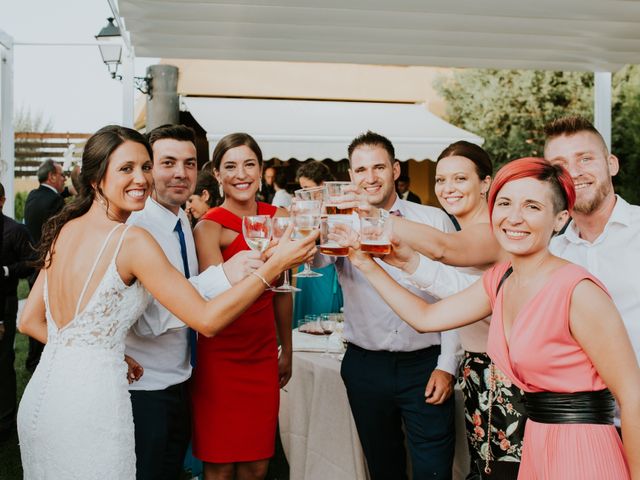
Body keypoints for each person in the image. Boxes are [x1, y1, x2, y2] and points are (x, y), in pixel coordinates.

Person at [16, 125, 317, 479]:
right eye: (128, 169)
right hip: (113, 399)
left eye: (144, 167)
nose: (142, 178)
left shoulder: (67, 227)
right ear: (96, 179)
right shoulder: (134, 239)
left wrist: (99, 351)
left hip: (51, 393)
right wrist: (272, 267)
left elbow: (30, 321)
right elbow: (203, 319)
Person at [345, 157, 640, 479]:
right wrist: (368, 265)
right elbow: (426, 317)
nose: (514, 218)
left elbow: (632, 395)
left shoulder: (577, 290)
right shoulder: (501, 279)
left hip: (583, 452)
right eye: (504, 203)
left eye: (532, 207)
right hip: (536, 446)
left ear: (560, 220)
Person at [317, 131, 462, 479]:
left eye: (379, 167)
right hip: (365, 365)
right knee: (383, 469)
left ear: (395, 169)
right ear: (351, 176)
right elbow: (311, 263)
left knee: (434, 470)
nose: (370, 177)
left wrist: (447, 365)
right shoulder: (338, 222)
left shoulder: (432, 221)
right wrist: (317, 218)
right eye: (361, 169)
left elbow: (456, 298)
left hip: (425, 365)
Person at [126, 125, 266, 480]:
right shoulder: (139, 229)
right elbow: (152, 319)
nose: (180, 173)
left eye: (189, 164)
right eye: (167, 162)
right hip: (146, 387)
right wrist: (226, 275)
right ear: (148, 169)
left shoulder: (181, 222)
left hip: (181, 378)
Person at [392, 142, 524, 477]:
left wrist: (373, 218)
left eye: (460, 179)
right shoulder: (466, 230)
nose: (448, 188)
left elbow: (441, 251)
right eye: (441, 180)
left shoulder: (494, 232)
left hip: (508, 376)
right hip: (478, 370)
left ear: (485, 183)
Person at [191, 133, 292, 480]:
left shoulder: (280, 216)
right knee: (219, 466)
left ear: (261, 170)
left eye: (249, 164)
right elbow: (214, 298)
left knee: (258, 463)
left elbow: (282, 290)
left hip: (262, 353)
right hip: (220, 355)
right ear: (217, 176)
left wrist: (286, 348)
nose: (241, 173)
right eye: (230, 166)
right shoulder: (209, 227)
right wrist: (268, 268)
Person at [23, 159, 67, 372]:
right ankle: (46, 361)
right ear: (51, 176)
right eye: (61, 175)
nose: (64, 179)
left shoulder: (33, 196)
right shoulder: (55, 202)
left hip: (34, 267)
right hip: (50, 267)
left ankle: (33, 360)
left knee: (35, 314)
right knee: (50, 317)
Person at [0, 182, 34, 442]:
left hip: (4, 302)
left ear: (1, 201)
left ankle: (5, 423)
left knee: (2, 362)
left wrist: (7, 271)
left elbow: (32, 262)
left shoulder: (15, 230)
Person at [293, 160, 344, 323]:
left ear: (321, 185)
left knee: (323, 310)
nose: (303, 193)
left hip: (328, 266)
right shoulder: (305, 207)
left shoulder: (336, 206)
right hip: (306, 263)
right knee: (305, 311)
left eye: (306, 188)